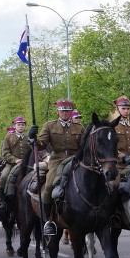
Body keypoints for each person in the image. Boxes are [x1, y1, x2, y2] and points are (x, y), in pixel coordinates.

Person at [29, 99, 85, 235]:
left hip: (76, 159)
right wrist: (32, 138)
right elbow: (41, 144)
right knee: (48, 187)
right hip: (57, 161)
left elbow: (84, 147)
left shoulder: (80, 128)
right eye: (62, 110)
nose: (65, 112)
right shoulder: (49, 126)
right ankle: (49, 220)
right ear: (57, 111)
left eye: (67, 110)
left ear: (71, 112)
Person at [0, 116, 32, 208]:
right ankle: (2, 201)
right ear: (15, 126)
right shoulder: (8, 138)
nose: (21, 126)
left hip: (27, 164)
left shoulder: (29, 137)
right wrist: (15, 160)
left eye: (23, 125)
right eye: (19, 124)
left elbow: (33, 150)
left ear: (25, 126)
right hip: (11, 164)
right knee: (4, 176)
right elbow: (5, 152)